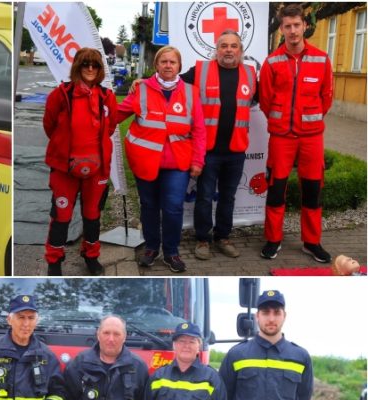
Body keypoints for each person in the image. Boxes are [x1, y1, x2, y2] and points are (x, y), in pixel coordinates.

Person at [117, 45, 205, 273]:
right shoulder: (142, 89)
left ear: (179, 66)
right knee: (149, 206)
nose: (168, 65)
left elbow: (199, 130)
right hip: (145, 161)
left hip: (178, 162)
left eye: (172, 62)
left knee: (173, 208)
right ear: (156, 65)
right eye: (163, 61)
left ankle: (171, 252)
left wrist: (198, 160)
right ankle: (151, 247)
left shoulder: (191, 92)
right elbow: (116, 114)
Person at [258, 4, 334, 263]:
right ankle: (273, 239)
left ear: (305, 26)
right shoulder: (271, 62)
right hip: (281, 137)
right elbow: (266, 100)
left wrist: (307, 121)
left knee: (313, 190)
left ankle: (311, 242)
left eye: (296, 25)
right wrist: (283, 122)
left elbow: (327, 98)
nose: (292, 31)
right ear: (282, 29)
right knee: (276, 189)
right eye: (287, 26)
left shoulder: (322, 59)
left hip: (312, 137)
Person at [42, 48, 119, 276]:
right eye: (85, 64)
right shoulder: (61, 94)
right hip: (65, 168)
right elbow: (50, 125)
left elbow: (112, 127)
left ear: (99, 69)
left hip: (97, 169)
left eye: (94, 65)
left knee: (93, 215)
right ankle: (54, 261)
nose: (90, 68)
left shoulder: (107, 97)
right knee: (61, 217)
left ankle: (91, 255)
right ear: (77, 66)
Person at [181, 30, 256, 261]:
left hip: (236, 151)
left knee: (228, 197)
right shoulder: (201, 71)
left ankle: (223, 237)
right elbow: (173, 80)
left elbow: (265, 97)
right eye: (224, 46)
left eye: (234, 46)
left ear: (240, 50)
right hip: (208, 151)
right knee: (204, 197)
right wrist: (145, 82)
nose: (229, 50)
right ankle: (203, 239)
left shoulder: (250, 73)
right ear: (217, 49)